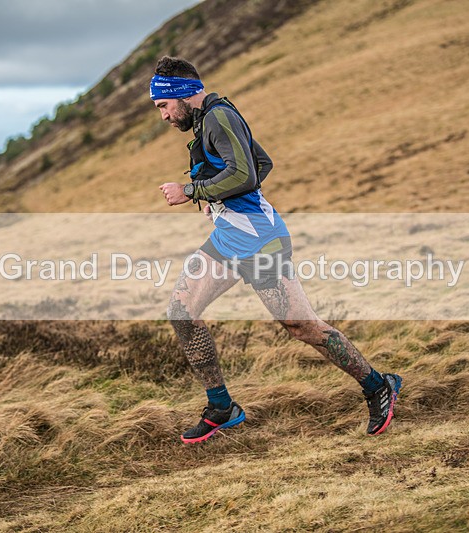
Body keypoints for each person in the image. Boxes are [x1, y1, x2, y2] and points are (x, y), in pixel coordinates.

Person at [151, 56, 402, 444]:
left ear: (182, 94)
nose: (164, 117)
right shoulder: (210, 121)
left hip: (260, 241)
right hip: (229, 238)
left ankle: (378, 385)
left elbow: (245, 173)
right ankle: (222, 407)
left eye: (163, 106)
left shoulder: (218, 118)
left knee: (301, 326)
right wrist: (220, 202)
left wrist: (192, 191)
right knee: (182, 311)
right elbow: (261, 163)